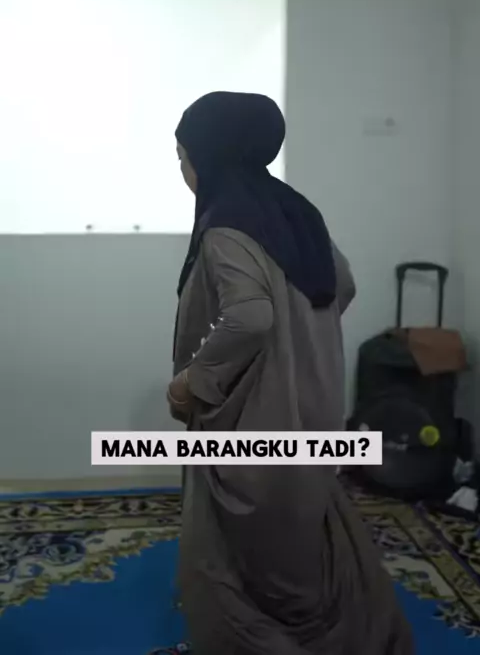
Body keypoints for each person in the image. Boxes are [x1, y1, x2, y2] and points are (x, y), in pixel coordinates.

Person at [167, 92, 413, 655]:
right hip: (313, 405)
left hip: (255, 417)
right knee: (298, 538)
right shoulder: (295, 212)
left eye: (183, 157)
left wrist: (191, 383)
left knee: (246, 557)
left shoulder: (226, 226)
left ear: (211, 156)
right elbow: (342, 285)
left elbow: (250, 315)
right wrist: (301, 347)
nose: (181, 171)